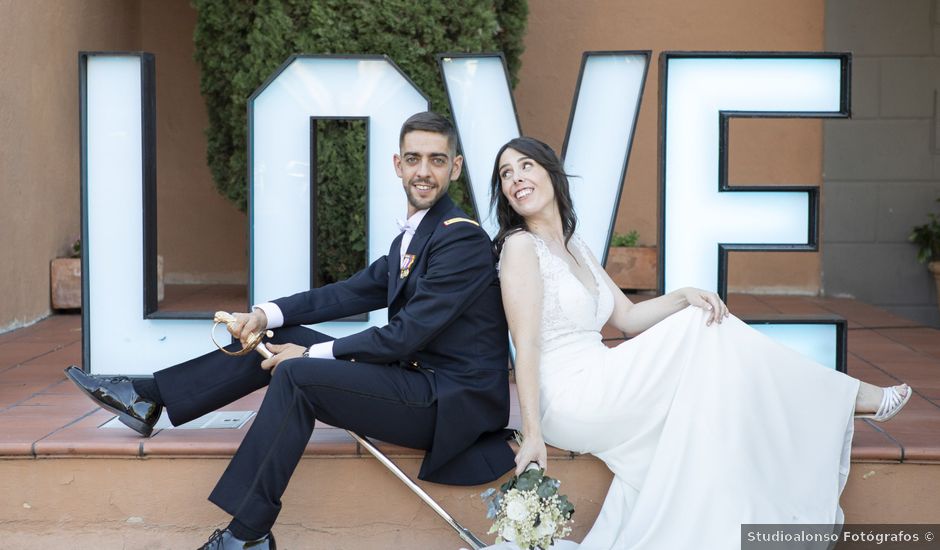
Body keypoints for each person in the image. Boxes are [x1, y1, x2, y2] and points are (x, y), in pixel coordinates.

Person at [65, 112, 516, 550]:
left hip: (450, 403)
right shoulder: (416, 236)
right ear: (397, 165)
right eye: (413, 159)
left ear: (455, 168)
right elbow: (348, 293)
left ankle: (248, 533)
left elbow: (404, 336)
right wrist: (266, 314)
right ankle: (151, 396)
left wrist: (309, 358)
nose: (424, 171)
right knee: (290, 338)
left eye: (436, 160)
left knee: (298, 374)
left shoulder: (462, 240)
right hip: (421, 380)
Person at [488, 136, 912, 549]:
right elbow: (525, 346)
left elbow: (628, 318)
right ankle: (845, 395)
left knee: (707, 407)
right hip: (570, 395)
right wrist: (533, 433)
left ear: (551, 174)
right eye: (506, 174)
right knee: (698, 330)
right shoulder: (521, 248)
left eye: (526, 166)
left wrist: (685, 294)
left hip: (601, 378)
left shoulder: (574, 244)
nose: (516, 179)